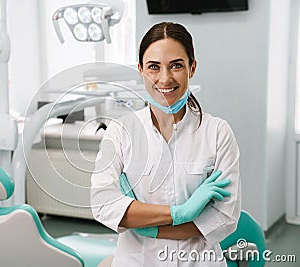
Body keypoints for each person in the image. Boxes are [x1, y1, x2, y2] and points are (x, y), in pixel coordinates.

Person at [91, 22, 241, 266]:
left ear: (192, 68)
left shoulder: (217, 133)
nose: (165, 78)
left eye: (176, 66)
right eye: (153, 67)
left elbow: (224, 218)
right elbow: (104, 205)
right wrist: (180, 214)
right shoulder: (120, 133)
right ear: (140, 70)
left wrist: (144, 226)